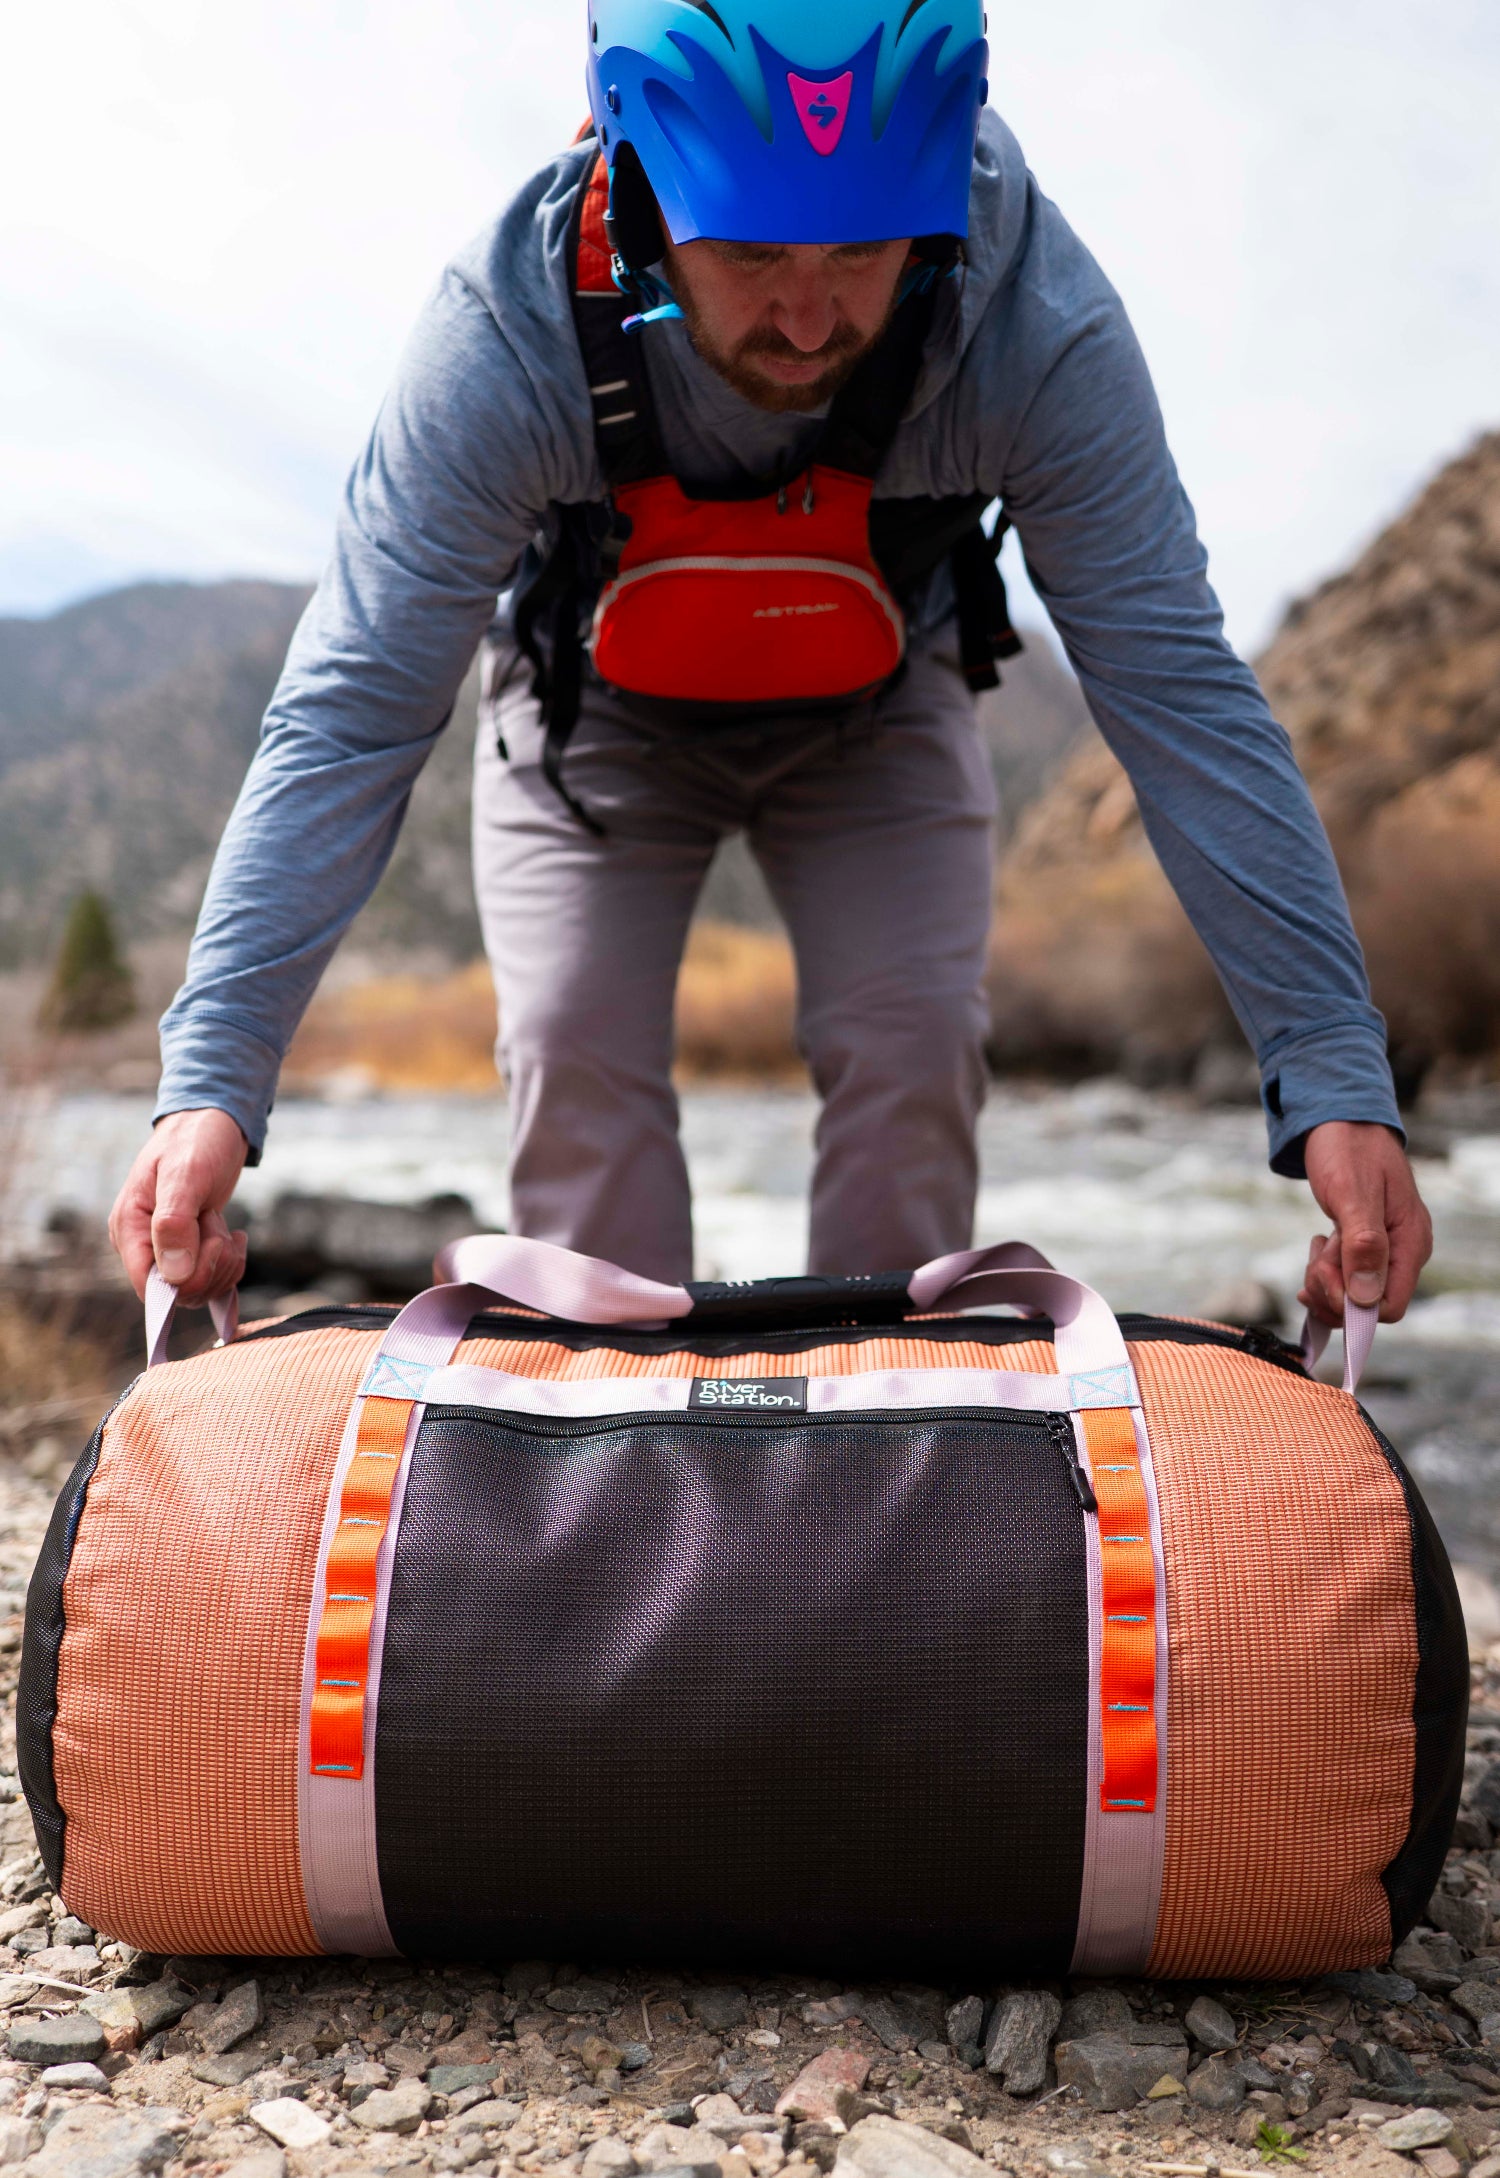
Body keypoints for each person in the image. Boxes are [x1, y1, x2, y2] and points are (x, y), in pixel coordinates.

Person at [110, 0, 1431, 1326]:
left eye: (863, 249)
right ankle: (614, 1473)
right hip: (590, 726)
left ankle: (885, 1456)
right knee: (576, 1061)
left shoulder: (1032, 322)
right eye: (749, 251)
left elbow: (1183, 702)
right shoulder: (504, 333)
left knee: (912, 1056)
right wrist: (212, 1082)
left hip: (876, 706)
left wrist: (1332, 1076)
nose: (809, 320)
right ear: (633, 179)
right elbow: (350, 718)